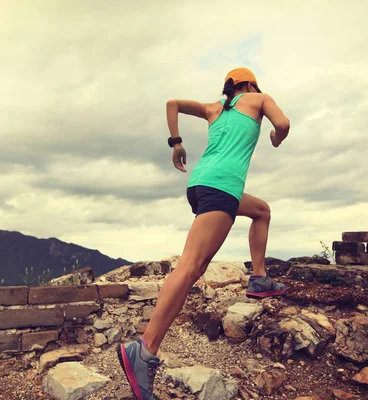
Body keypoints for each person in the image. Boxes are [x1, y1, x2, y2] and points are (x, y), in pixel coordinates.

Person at [117, 67, 291, 400]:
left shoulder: (215, 108)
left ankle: (259, 278)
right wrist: (275, 137)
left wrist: (176, 143)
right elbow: (282, 124)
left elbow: (172, 103)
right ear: (250, 84)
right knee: (191, 267)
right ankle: (145, 349)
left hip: (200, 184)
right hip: (221, 188)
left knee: (261, 210)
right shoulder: (259, 99)